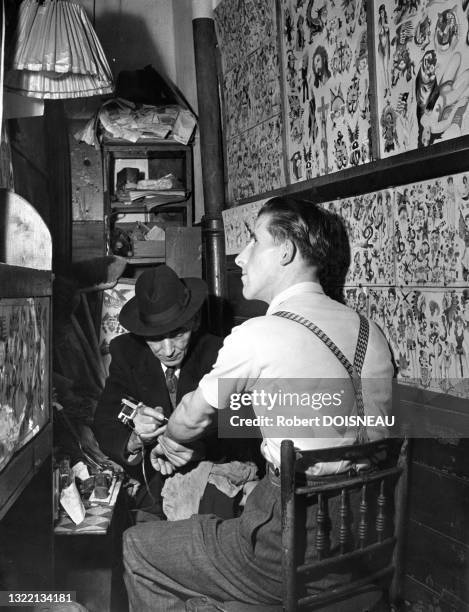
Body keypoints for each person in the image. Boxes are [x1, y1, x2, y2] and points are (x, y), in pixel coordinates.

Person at [123, 197, 394, 610]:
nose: (241, 256)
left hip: (286, 546)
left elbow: (189, 421)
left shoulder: (259, 333)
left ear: (285, 251)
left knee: (137, 546)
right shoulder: (369, 331)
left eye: (253, 240)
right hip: (362, 537)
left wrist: (169, 443)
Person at [94, 265, 252, 521]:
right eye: (155, 338)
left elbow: (245, 422)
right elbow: (104, 421)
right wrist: (135, 440)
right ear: (141, 334)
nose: (168, 350)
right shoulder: (126, 352)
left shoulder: (221, 352)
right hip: (151, 486)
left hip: (210, 479)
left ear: (195, 321)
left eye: (178, 333)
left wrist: (198, 445)